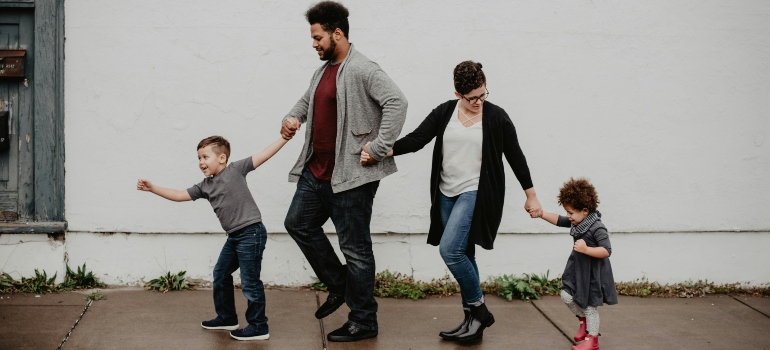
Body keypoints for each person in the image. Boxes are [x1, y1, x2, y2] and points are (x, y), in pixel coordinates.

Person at [361, 61, 543, 341]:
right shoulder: (445, 112)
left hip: (476, 192)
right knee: (465, 254)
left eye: (483, 94)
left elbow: (515, 156)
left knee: (451, 251)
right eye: (472, 98)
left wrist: (530, 195)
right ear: (458, 94)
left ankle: (480, 311)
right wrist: (381, 151)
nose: (479, 102)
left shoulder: (496, 117)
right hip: (446, 193)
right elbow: (417, 139)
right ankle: (472, 324)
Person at [280, 1, 407, 343]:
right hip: (316, 172)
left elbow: (397, 102)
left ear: (337, 33)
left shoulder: (363, 69)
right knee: (298, 224)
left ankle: (364, 319)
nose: (314, 43)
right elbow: (307, 101)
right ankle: (339, 285)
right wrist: (292, 118)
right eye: (313, 37)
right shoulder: (322, 71)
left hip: (350, 177)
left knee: (356, 249)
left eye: (318, 36)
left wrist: (378, 147)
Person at [136, 135, 290, 341]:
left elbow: (264, 154)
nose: (201, 162)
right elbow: (180, 194)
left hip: (251, 233)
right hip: (234, 237)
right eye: (198, 158)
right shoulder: (205, 186)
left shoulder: (236, 169)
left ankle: (259, 326)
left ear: (222, 158)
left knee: (250, 282)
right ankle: (227, 317)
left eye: (205, 157)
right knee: (221, 273)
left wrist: (285, 138)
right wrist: (152, 188)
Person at [536, 177, 617, 350]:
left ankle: (592, 340)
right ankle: (584, 321)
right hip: (578, 270)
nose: (568, 216)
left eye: (571, 212)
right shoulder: (578, 222)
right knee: (566, 295)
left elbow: (607, 250)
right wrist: (541, 214)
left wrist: (587, 249)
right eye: (567, 212)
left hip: (592, 274)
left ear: (585, 210)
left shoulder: (597, 227)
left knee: (589, 306)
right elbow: (558, 220)